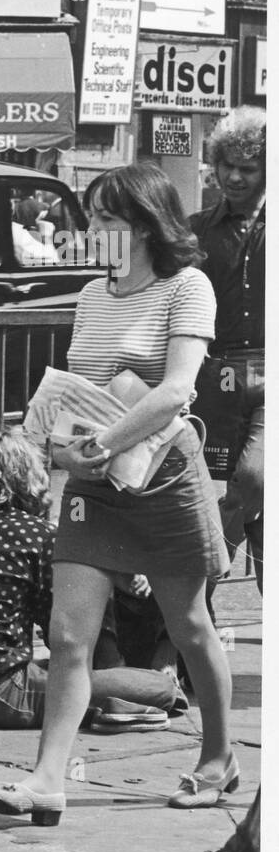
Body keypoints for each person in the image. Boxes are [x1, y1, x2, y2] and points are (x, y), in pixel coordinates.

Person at [0, 163, 234, 825]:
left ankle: (217, 758)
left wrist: (109, 437)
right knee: (69, 636)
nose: (91, 231)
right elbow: (75, 391)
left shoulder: (188, 287)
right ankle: (45, 780)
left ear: (146, 228)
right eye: (91, 217)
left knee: (189, 627)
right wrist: (60, 446)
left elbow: (178, 390)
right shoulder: (92, 295)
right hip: (96, 483)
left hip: (164, 477)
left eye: (107, 220)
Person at [0, 429, 185, 729]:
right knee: (160, 689)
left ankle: (104, 702)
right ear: (29, 477)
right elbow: (63, 634)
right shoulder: (35, 534)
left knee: (47, 670)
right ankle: (107, 702)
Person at [192, 106, 265, 591]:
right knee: (216, 494)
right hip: (210, 375)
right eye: (227, 166)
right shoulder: (196, 228)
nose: (234, 177)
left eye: (248, 167)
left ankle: (207, 562)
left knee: (254, 480)